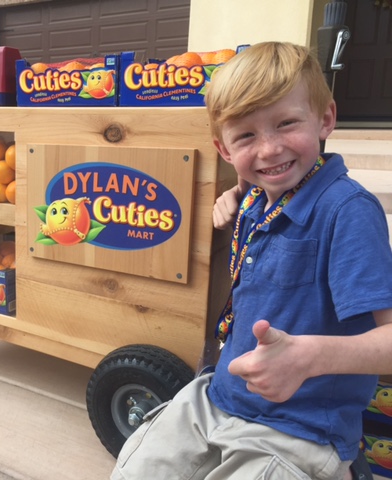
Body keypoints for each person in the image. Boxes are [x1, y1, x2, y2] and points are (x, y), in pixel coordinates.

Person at [111, 42, 392, 480]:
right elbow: (263, 183)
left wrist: (308, 357)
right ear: (224, 151)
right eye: (246, 136)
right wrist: (238, 195)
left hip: (301, 425)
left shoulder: (347, 211)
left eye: (286, 124)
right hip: (219, 396)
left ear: (326, 119)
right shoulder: (259, 199)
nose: (268, 149)